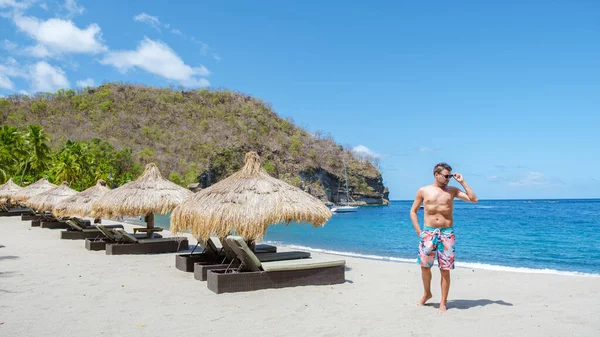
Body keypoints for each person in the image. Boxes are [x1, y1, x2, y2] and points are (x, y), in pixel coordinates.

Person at [409, 162, 478, 313]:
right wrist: (419, 232)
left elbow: (474, 199)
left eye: (450, 176)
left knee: (445, 269)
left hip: (447, 233)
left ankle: (443, 302)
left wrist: (462, 182)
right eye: (446, 176)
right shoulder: (423, 190)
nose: (448, 179)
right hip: (428, 233)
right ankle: (427, 293)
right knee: (425, 267)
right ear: (436, 175)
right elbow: (413, 211)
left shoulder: (452, 190)